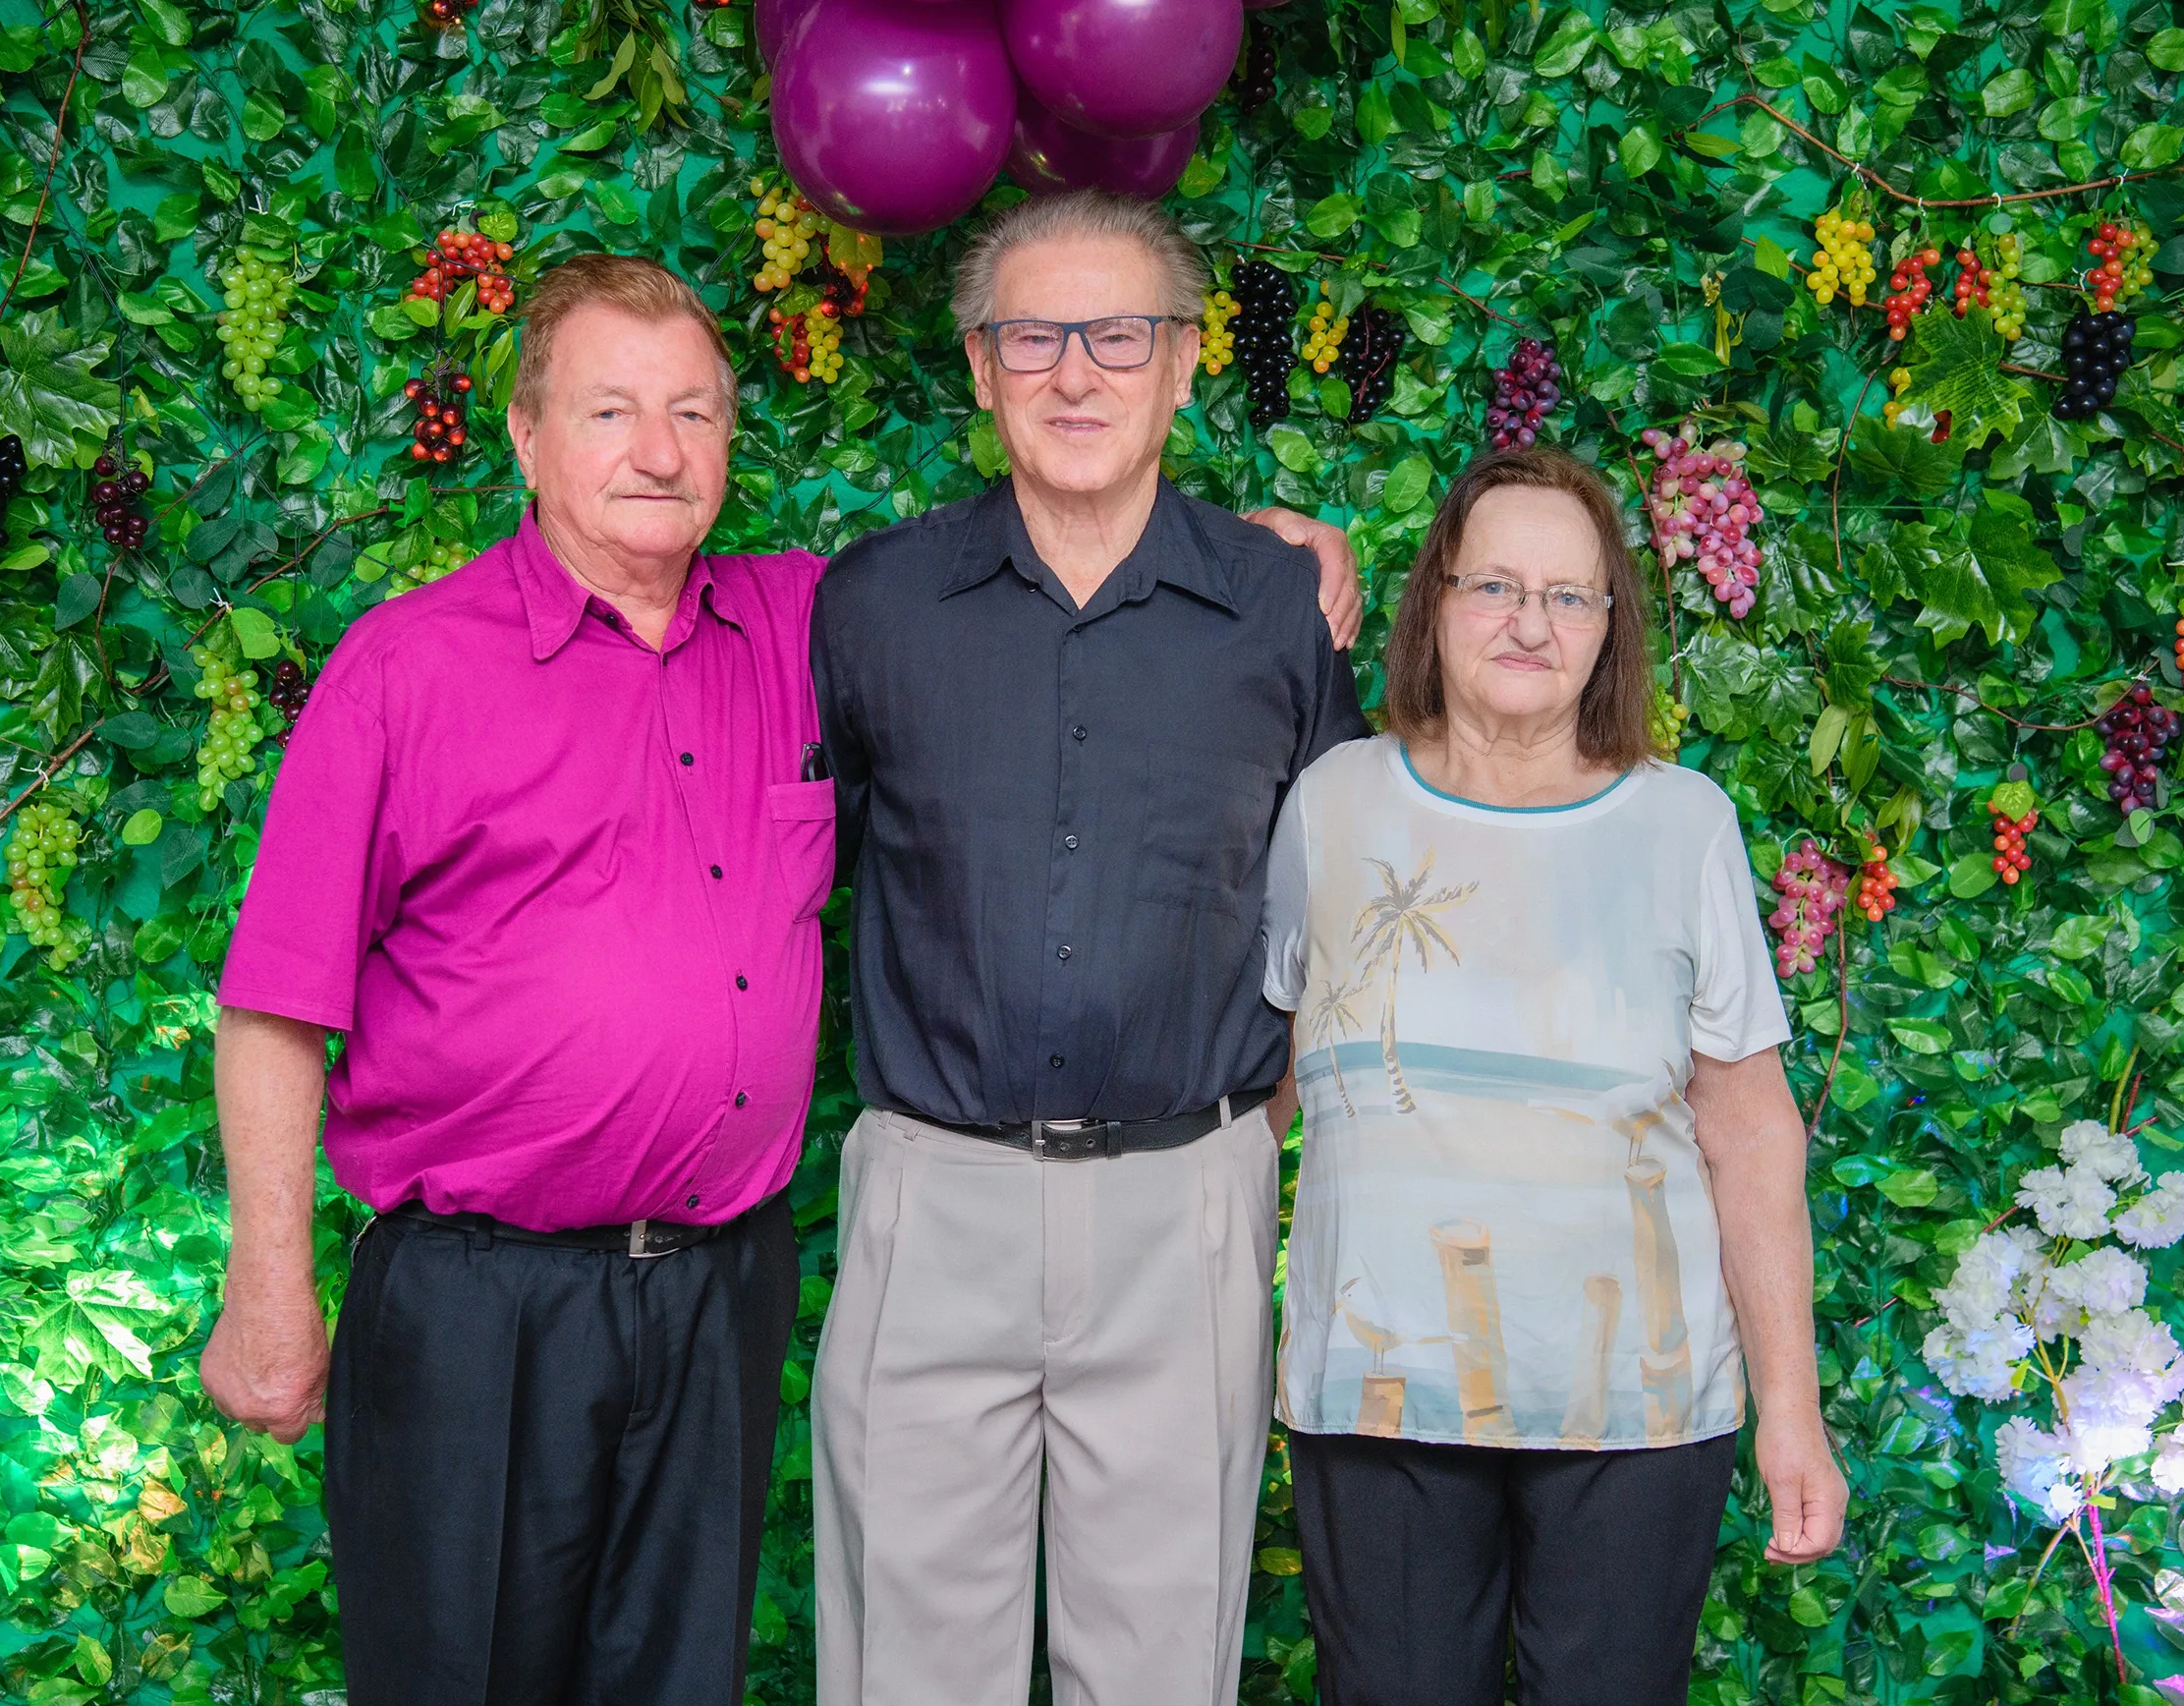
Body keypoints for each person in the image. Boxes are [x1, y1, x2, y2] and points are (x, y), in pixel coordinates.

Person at [199, 252, 1361, 1706]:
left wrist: (1257, 553)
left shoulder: (819, 625)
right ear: (523, 432)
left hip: (712, 1295)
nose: (659, 451)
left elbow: (1037, 598)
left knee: (675, 1677)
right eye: (612, 410)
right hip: (473, 1298)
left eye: (694, 412)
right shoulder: (406, 668)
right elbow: (275, 1000)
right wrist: (268, 1286)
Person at [810, 189, 1372, 1706]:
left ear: (1184, 365)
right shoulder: (868, 605)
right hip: (935, 1191)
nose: (1076, 374)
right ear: (980, 370)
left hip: (1183, 1196)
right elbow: (798, 866)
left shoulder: (1274, 605)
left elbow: (1346, 890)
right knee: (906, 1665)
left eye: (1117, 335)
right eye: (1032, 337)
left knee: (1157, 1661)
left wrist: (1258, 1131)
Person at [1259, 445, 1846, 1706]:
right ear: (1434, 602)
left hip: (1636, 1417)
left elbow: (1748, 1130)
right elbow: (1268, 1096)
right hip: (1377, 1400)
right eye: (1494, 586)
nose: (1530, 621)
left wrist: (1790, 1413)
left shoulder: (1681, 822)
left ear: (1607, 628)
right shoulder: (1330, 804)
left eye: (1570, 595)